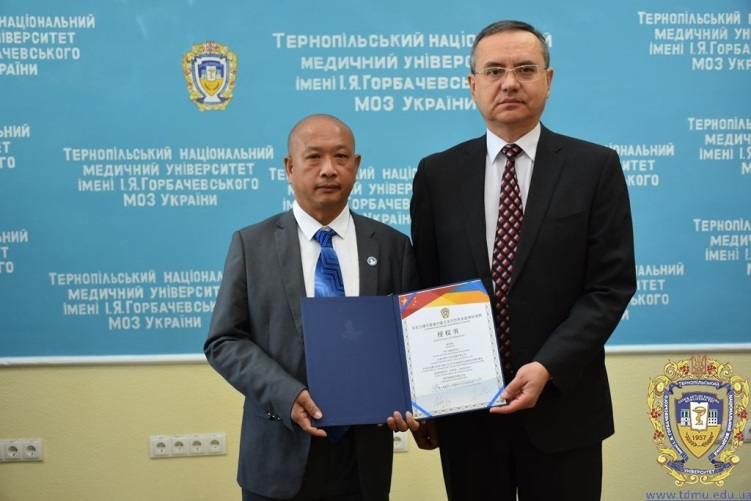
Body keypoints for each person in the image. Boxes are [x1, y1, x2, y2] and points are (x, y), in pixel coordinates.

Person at [408, 20, 637, 501]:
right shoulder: (437, 175)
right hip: (466, 416)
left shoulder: (594, 168)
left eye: (525, 69)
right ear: (472, 85)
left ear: (548, 81)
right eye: (494, 71)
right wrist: (424, 396)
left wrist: (548, 366)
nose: (509, 82)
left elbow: (610, 287)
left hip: (563, 409)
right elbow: (426, 291)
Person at [205, 114, 419, 501]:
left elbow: (411, 342)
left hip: (363, 462)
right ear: (289, 167)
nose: (329, 169)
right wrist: (286, 394)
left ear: (356, 166)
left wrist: (410, 400)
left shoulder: (392, 246)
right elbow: (224, 341)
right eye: (314, 157)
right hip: (277, 452)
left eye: (341, 157)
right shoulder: (251, 245)